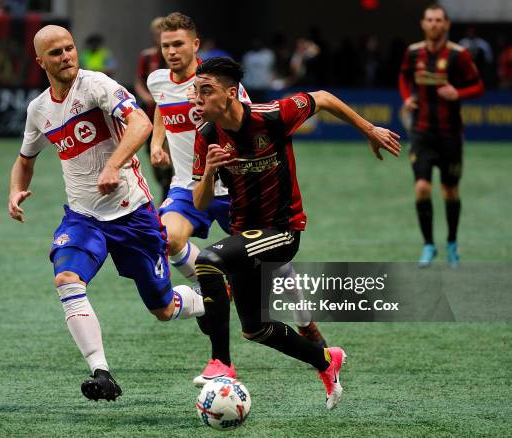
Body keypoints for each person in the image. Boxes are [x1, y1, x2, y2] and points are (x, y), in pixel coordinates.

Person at [8, 25, 205, 402]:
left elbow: (142, 123)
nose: (66, 56)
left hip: (133, 215)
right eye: (56, 53)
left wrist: (114, 165)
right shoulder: (39, 110)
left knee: (163, 309)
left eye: (69, 48)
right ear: (41, 62)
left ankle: (213, 296)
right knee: (66, 278)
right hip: (83, 218)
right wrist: (15, 190)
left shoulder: (96, 85)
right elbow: (24, 160)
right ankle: (101, 373)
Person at [191, 57, 401, 409]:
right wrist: (210, 171)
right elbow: (200, 202)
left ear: (230, 94)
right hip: (246, 234)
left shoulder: (272, 115)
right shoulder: (207, 136)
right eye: (195, 91)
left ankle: (221, 363)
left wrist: (369, 130)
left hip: (282, 230)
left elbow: (324, 98)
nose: (197, 98)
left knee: (208, 261)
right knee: (255, 329)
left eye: (206, 90)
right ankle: (326, 360)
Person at [147, 13, 326, 387]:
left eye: (178, 44)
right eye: (166, 46)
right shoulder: (157, 80)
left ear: (195, 45)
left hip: (238, 189)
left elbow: (248, 127)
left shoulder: (222, 86)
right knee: (167, 239)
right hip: (190, 184)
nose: (171, 52)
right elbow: (162, 109)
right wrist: (156, 143)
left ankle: (305, 322)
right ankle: (210, 293)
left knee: (273, 269)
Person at [399, 4, 484, 268]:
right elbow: (403, 77)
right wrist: (406, 98)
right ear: (423, 24)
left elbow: (479, 86)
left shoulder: (459, 55)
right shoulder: (413, 53)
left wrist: (459, 93)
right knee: (422, 188)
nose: (434, 24)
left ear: (446, 25)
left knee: (449, 191)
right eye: (429, 20)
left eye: (439, 20)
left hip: (450, 135)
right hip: (422, 132)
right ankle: (428, 245)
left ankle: (451, 244)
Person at [134, 16, 173, 202]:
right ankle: (164, 185)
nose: (159, 37)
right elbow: (139, 82)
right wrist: (147, 97)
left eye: (162, 33)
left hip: (172, 117)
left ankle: (169, 194)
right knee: (153, 154)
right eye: (156, 33)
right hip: (150, 116)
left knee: (171, 155)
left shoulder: (175, 55)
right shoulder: (147, 56)